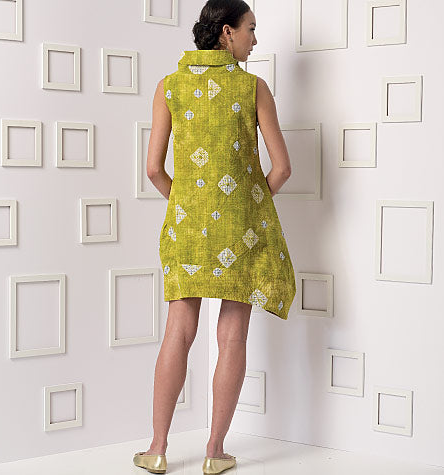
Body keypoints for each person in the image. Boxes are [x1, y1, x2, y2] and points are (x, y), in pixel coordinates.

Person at [133, 0, 296, 473]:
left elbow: (153, 169)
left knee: (177, 332)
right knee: (232, 335)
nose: (254, 39)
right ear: (227, 32)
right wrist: (247, 205)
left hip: (186, 227)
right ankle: (215, 451)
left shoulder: (169, 86)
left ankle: (157, 448)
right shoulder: (252, 87)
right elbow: (282, 168)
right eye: (250, 29)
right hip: (241, 231)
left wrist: (189, 205)